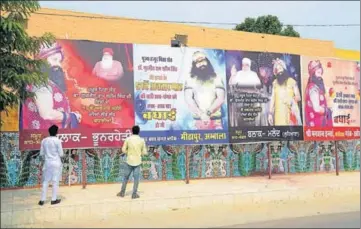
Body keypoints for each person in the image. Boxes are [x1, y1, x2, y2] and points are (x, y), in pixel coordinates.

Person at [22, 42, 81, 130]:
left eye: (59, 61)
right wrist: (72, 116)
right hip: (45, 137)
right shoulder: (41, 83)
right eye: (54, 59)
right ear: (42, 61)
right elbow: (47, 114)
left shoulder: (41, 81)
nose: (58, 65)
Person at [184, 51, 226, 130]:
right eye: (197, 62)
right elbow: (188, 98)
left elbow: (221, 98)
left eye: (203, 60)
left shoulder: (217, 77)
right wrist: (201, 115)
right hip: (197, 121)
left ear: (207, 61)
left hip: (215, 120)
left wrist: (208, 113)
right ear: (194, 65)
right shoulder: (189, 80)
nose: (201, 64)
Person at [268, 58, 302, 126]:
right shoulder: (274, 83)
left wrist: (291, 100)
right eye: (277, 69)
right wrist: (270, 114)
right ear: (275, 72)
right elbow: (272, 99)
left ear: (284, 69)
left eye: (281, 68)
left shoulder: (292, 81)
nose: (279, 71)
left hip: (290, 114)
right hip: (278, 116)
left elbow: (299, 97)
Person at [119, 125, 147, 199]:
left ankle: (122, 192)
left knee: (125, 178)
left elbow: (123, 150)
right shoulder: (142, 140)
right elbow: (144, 152)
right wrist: (139, 153)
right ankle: (134, 194)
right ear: (139, 131)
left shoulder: (128, 139)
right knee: (136, 179)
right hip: (137, 161)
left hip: (129, 161)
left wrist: (129, 152)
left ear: (132, 131)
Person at [38, 125, 64, 206]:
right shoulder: (58, 141)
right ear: (57, 132)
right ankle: (53, 199)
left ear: (49, 132)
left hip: (47, 163)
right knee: (55, 181)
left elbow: (41, 153)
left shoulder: (44, 141)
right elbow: (61, 154)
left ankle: (42, 200)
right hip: (56, 163)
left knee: (45, 181)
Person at [304, 60, 333, 127]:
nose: (320, 75)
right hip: (316, 124)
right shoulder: (313, 88)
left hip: (319, 124)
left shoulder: (317, 86)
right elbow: (316, 108)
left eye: (321, 73)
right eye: (318, 72)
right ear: (313, 73)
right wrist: (327, 110)